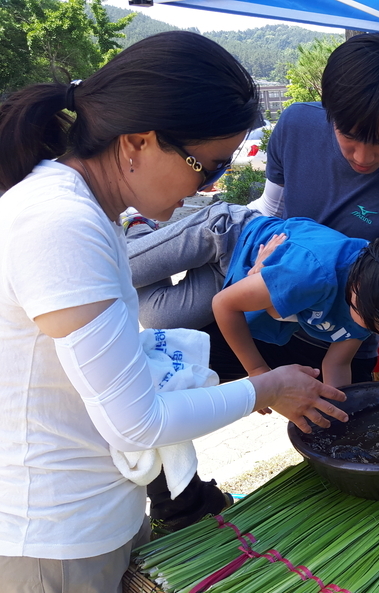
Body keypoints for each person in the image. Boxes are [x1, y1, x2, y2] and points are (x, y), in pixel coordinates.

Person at [0, 31, 348, 593]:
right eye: (206, 165)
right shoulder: (60, 225)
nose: (209, 185)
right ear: (138, 142)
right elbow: (136, 422)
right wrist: (266, 387)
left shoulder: (87, 210)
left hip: (95, 512)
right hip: (53, 535)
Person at [134, 32, 379, 382]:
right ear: (330, 111)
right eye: (349, 135)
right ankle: (139, 230)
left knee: (159, 319)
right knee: (124, 273)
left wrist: (272, 293)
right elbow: (271, 208)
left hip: (304, 304)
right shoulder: (298, 122)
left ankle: (144, 236)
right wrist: (260, 267)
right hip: (242, 245)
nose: (363, 157)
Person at [129, 208, 379, 387]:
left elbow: (336, 363)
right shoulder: (312, 274)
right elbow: (225, 305)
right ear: (359, 283)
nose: (375, 329)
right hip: (227, 236)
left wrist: (340, 410)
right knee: (117, 271)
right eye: (375, 320)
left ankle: (149, 240)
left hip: (245, 279)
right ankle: (138, 227)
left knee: (160, 320)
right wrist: (258, 371)